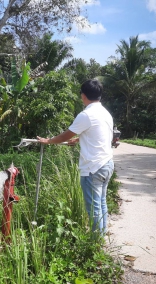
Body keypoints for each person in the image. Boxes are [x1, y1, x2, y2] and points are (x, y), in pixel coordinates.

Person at [37, 79, 114, 235]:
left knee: (94, 208)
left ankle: (95, 245)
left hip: (93, 168)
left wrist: (48, 141)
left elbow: (65, 135)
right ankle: (102, 237)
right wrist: (79, 139)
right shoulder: (105, 113)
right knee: (101, 203)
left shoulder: (86, 115)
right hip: (107, 164)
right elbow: (98, 133)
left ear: (83, 95)